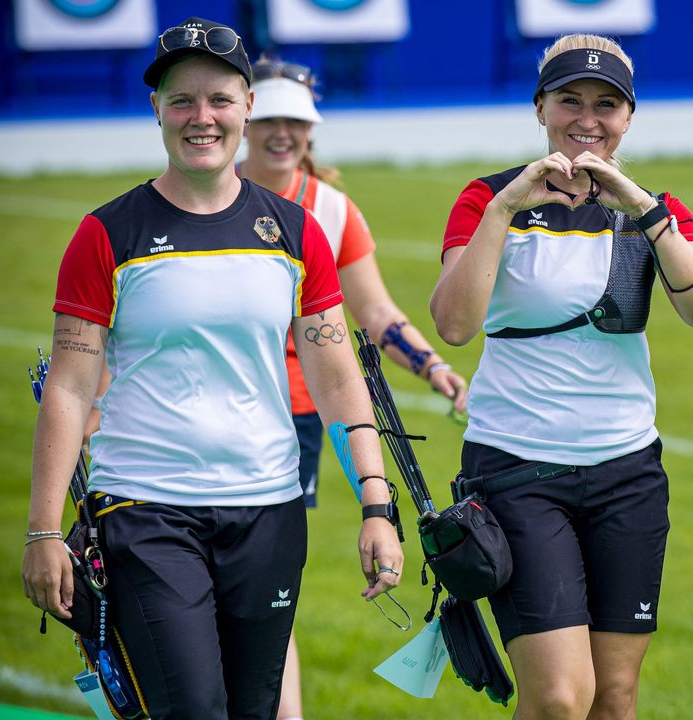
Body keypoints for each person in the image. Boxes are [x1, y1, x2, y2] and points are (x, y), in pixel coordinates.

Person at [20, 18, 404, 718]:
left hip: (268, 507)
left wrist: (377, 504)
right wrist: (45, 531)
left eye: (221, 99)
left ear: (248, 108)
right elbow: (71, 389)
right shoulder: (107, 233)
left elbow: (339, 377)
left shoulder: (294, 232)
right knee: (192, 707)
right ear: (157, 111)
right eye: (182, 101)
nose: (203, 117)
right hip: (146, 506)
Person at [430, 33, 693, 720]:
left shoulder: (654, 207)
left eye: (606, 104)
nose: (587, 119)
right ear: (540, 108)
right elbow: (453, 323)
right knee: (561, 698)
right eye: (570, 100)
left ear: (629, 118)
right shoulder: (486, 199)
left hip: (627, 471)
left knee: (615, 697)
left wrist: (645, 211)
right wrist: (505, 209)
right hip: (518, 470)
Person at [236, 55, 468, 720]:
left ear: (313, 130)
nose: (283, 135)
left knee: (265, 582)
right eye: (272, 120)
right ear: (248, 119)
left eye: (297, 122)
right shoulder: (208, 191)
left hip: (301, 414)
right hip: (217, 407)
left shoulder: (333, 211)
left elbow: (376, 314)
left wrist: (433, 367)